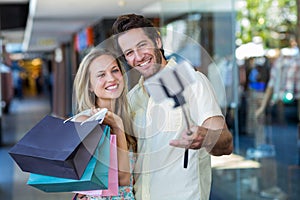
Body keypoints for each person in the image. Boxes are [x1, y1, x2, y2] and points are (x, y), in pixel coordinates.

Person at [111, 14, 233, 200]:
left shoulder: (192, 81)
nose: (138, 57)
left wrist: (206, 137)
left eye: (142, 45)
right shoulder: (132, 98)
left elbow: (226, 143)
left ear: (158, 41)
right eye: (129, 53)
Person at [72, 47, 136, 200]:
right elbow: (122, 179)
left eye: (114, 70)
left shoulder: (130, 118)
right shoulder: (85, 123)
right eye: (101, 75)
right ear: (89, 86)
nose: (111, 78)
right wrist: (118, 128)